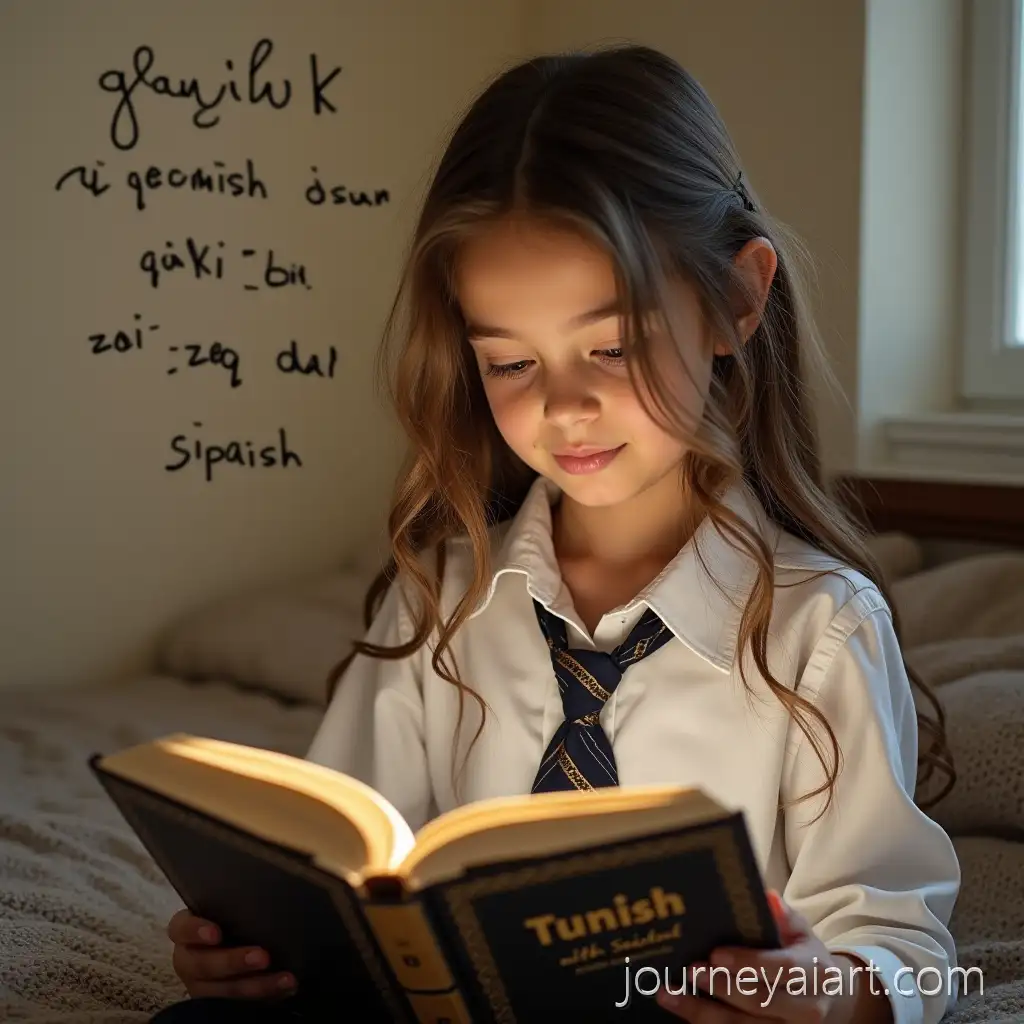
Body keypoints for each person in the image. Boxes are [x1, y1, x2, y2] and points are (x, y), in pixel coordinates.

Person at [151, 43, 961, 1024]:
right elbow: (345, 857)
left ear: (736, 300)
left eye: (611, 347)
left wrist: (832, 993)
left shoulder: (820, 627)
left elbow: (908, 946)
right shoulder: (438, 602)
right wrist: (254, 945)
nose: (565, 409)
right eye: (509, 363)